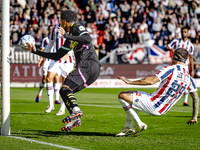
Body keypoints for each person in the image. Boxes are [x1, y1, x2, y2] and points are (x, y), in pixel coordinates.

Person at [26, 10, 101, 131]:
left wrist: (66, 35)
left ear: (64, 21)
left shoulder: (76, 27)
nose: (60, 23)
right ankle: (74, 119)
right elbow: (56, 55)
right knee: (64, 91)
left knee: (65, 89)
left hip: (88, 64)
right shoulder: (70, 38)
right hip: (92, 70)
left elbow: (87, 39)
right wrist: (36, 52)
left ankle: (76, 111)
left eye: (60, 21)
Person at [116, 48, 199, 137]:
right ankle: (128, 127)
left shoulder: (171, 69)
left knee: (122, 96)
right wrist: (194, 117)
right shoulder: (188, 77)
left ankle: (139, 124)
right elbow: (195, 97)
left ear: (176, 56)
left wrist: (130, 82)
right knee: (129, 96)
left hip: (153, 103)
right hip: (163, 110)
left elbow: (151, 81)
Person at [37, 23, 76, 115]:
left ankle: (62, 109)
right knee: (48, 78)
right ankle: (51, 104)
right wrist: (43, 57)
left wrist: (68, 54)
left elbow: (75, 43)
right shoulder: (54, 28)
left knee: (65, 84)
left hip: (68, 60)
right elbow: (50, 43)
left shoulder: (72, 28)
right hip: (56, 57)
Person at [164, 27, 194, 106]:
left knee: (185, 82)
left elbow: (191, 58)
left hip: (185, 66)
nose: (183, 33)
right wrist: (171, 49)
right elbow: (166, 47)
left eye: (185, 32)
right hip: (175, 65)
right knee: (172, 81)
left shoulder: (190, 45)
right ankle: (167, 99)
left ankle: (185, 101)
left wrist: (192, 70)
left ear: (188, 33)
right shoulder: (176, 41)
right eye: (182, 32)